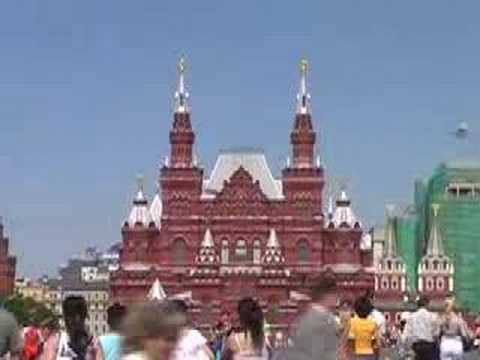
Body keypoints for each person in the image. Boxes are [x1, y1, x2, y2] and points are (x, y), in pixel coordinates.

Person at [287, 276, 339, 360]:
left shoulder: (304, 317)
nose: (337, 298)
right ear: (328, 295)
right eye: (336, 294)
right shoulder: (320, 320)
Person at [41, 295, 103, 360]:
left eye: (79, 316)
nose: (76, 320)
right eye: (71, 316)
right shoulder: (56, 342)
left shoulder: (93, 344)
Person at [404, 295, 440, 360]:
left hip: (416, 346)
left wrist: (408, 348)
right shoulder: (433, 316)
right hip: (429, 346)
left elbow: (407, 335)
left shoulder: (411, 317)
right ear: (427, 304)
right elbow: (436, 334)